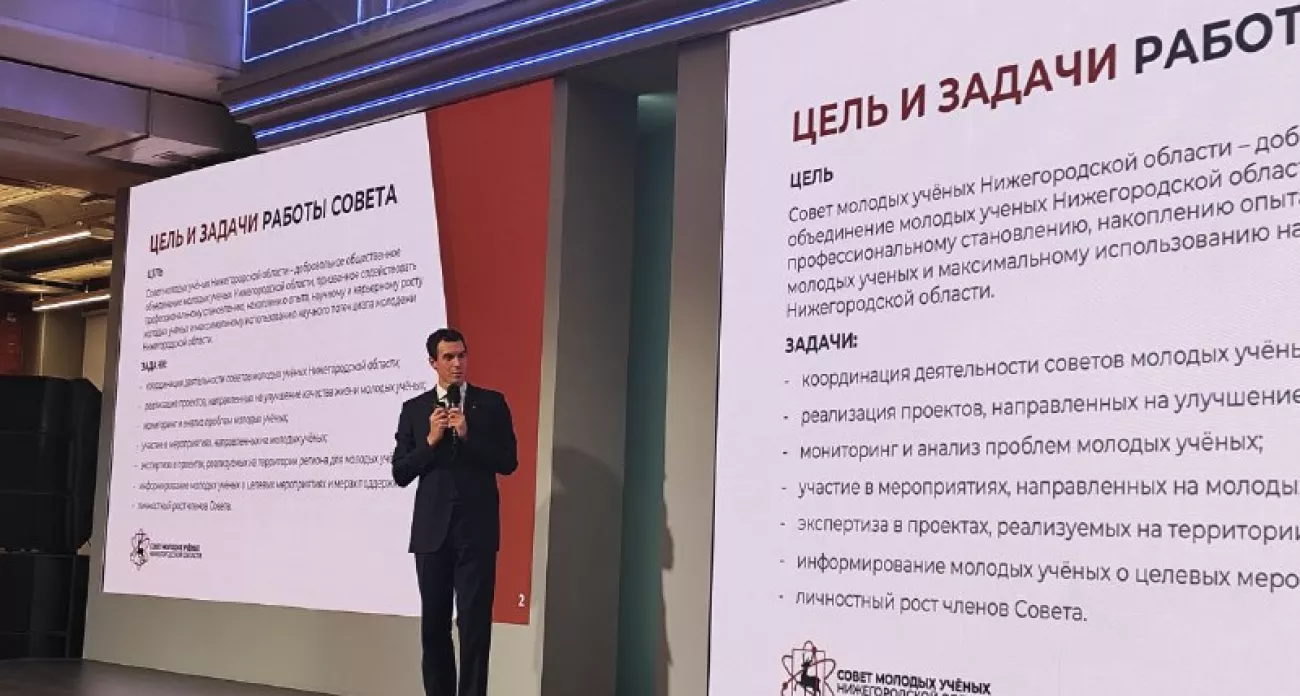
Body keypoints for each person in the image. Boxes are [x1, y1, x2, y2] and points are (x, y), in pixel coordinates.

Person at [391, 328, 518, 696]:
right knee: (434, 628)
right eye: (448, 357)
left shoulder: (491, 404)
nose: (457, 363)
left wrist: (467, 435)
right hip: (432, 533)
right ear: (433, 362)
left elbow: (508, 462)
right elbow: (400, 472)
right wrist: (430, 441)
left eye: (461, 355)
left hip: (476, 533)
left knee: (475, 628)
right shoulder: (415, 409)